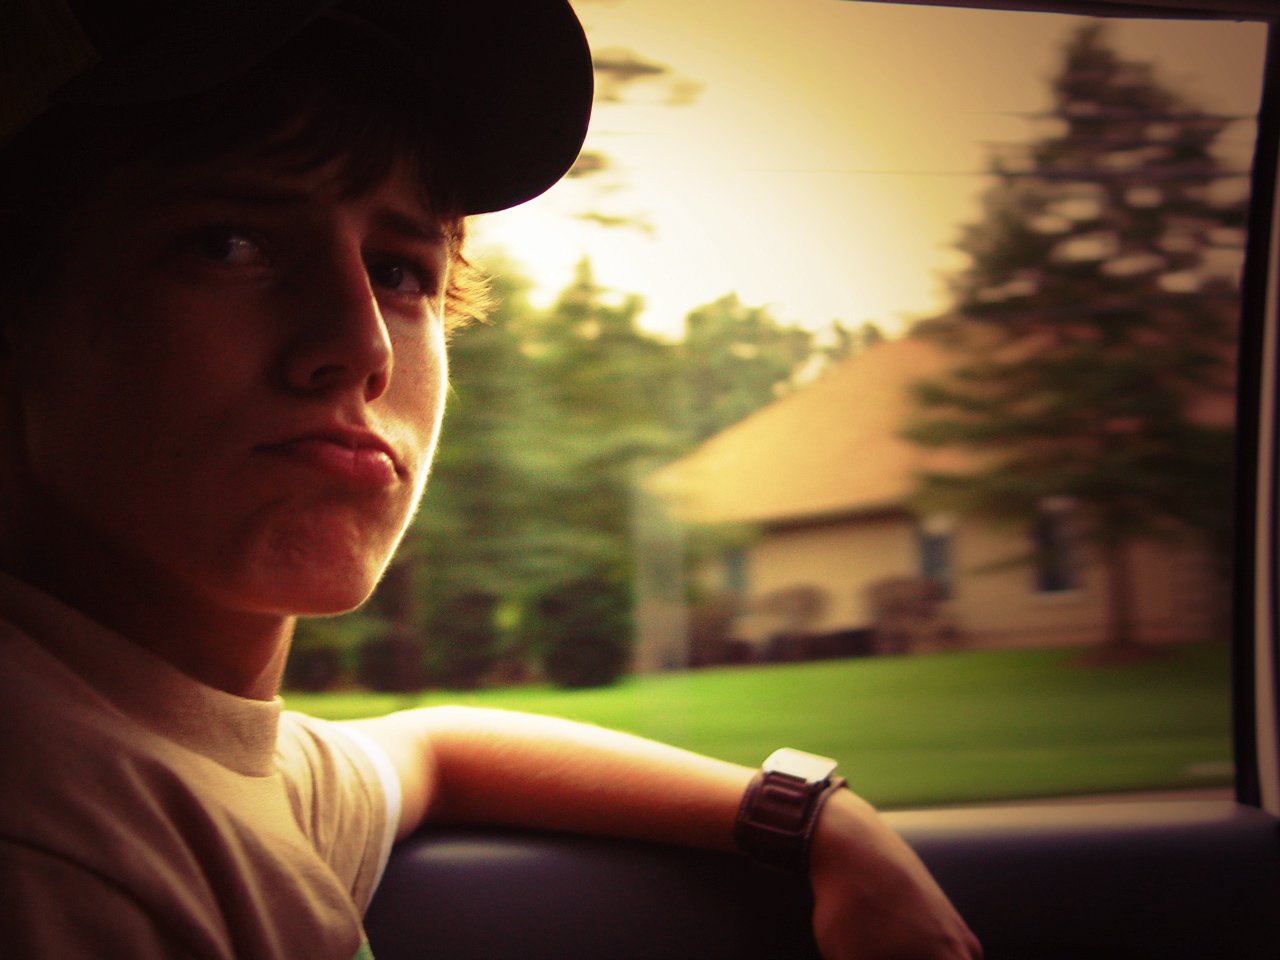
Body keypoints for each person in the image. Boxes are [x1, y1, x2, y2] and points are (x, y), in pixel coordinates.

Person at [0, 1, 981, 957]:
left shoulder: (183, 753)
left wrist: (815, 819)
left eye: (400, 271)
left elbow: (432, 748)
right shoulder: (55, 845)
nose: (360, 342)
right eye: (229, 243)